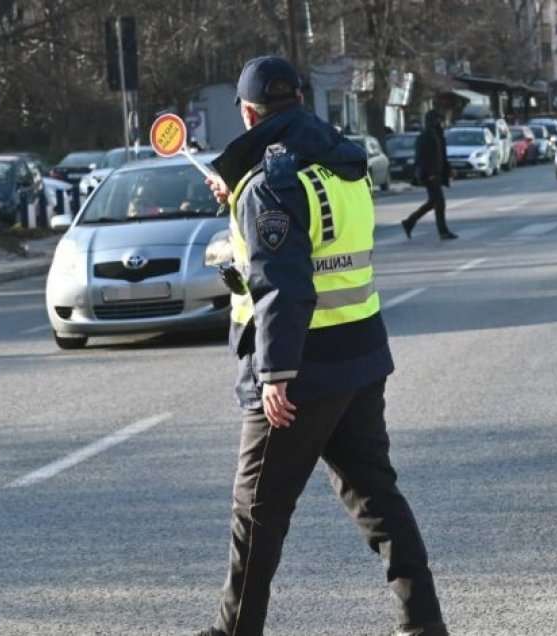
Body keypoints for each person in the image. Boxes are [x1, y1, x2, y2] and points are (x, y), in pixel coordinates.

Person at [196, 56, 448, 636]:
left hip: (301, 373)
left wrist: (276, 372)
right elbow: (317, 250)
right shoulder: (343, 163)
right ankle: (424, 624)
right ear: (302, 103)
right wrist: (239, 193)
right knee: (378, 501)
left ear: (248, 112)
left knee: (255, 515)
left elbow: (283, 281)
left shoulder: (270, 185)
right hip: (359, 357)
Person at [401, 110, 457, 240]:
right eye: (440, 120)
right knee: (439, 203)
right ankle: (442, 232)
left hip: (436, 173)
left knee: (433, 202)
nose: (442, 123)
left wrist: (448, 170)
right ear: (434, 121)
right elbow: (422, 157)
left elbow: (442, 156)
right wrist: (429, 173)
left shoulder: (438, 135)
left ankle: (409, 222)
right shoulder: (426, 136)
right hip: (431, 174)